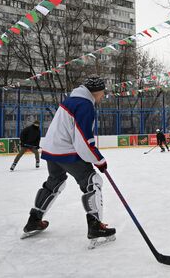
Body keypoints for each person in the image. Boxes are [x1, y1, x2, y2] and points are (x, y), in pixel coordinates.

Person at [21, 76, 115, 245]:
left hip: (51, 148)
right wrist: (99, 160)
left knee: (55, 182)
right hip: (65, 150)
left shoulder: (71, 100)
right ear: (97, 91)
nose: (103, 96)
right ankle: (95, 226)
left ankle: (34, 219)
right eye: (103, 93)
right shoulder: (85, 104)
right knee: (93, 182)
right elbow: (83, 140)